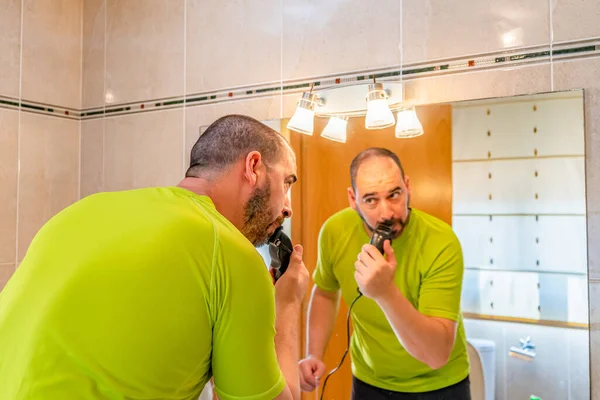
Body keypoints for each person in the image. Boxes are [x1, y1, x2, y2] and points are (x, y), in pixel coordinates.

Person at [0, 115, 308, 400]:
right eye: (287, 183)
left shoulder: (83, 210)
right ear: (253, 167)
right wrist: (288, 304)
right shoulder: (233, 255)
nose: (288, 207)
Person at [298, 147, 470, 399]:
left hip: (439, 385)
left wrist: (385, 293)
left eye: (394, 195)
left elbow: (437, 355)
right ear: (352, 199)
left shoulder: (441, 242)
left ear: (408, 186)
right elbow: (324, 292)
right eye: (371, 200)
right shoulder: (334, 231)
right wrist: (314, 353)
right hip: (369, 381)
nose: (387, 213)